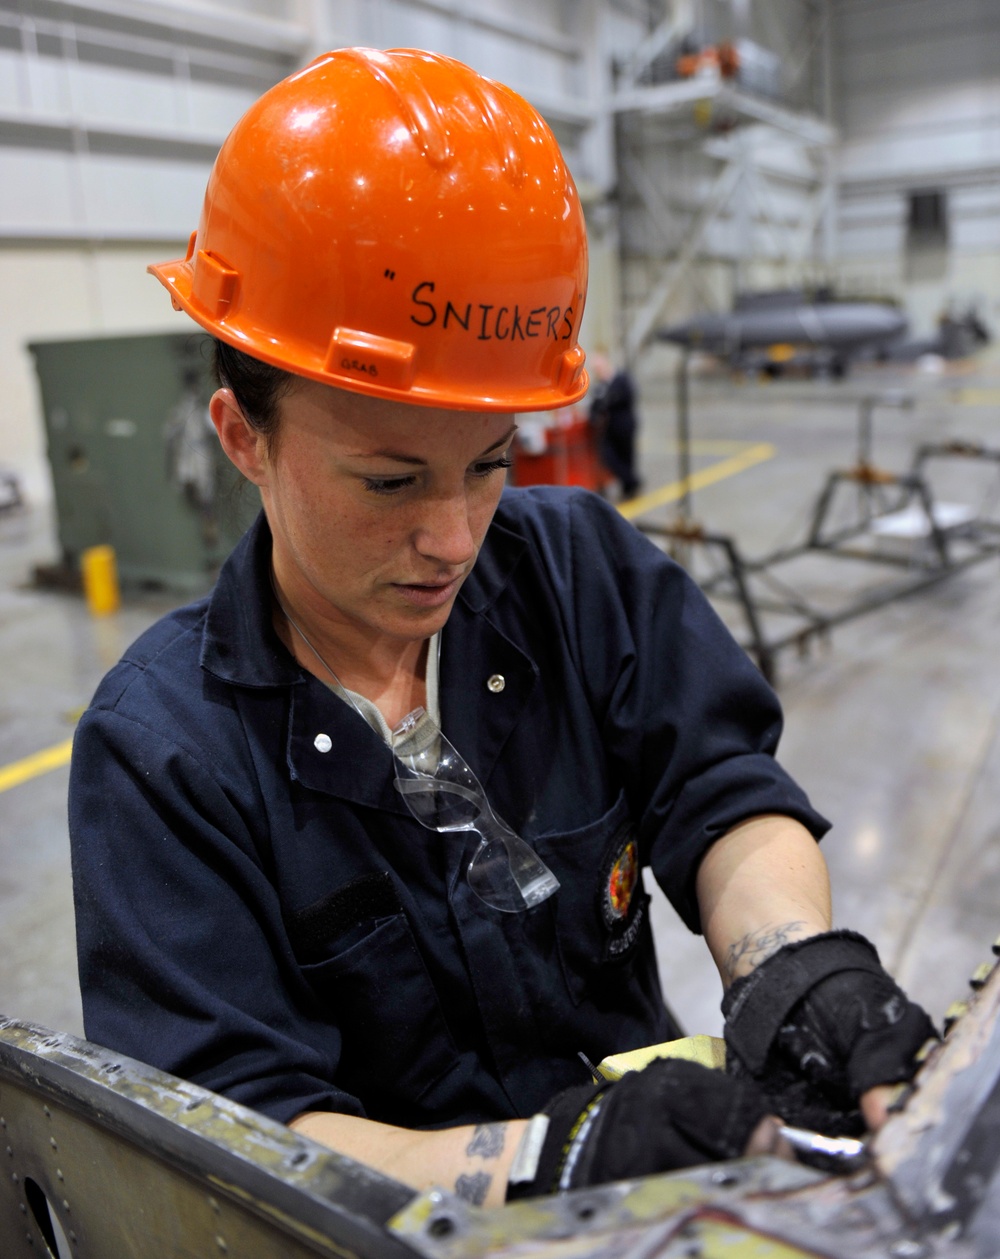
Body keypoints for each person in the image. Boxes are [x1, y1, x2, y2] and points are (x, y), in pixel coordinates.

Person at [69, 47, 935, 1209]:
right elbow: (240, 1133)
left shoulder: (578, 571)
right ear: (243, 435)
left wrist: (791, 968)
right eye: (389, 482)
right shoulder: (165, 750)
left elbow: (718, 790)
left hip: (663, 1173)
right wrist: (546, 1157)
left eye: (488, 464)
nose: (453, 535)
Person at [587, 350, 642, 499]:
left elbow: (628, 396)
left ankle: (629, 488)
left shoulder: (621, 378)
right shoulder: (600, 386)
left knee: (627, 457)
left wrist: (607, 402)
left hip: (624, 425)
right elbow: (594, 408)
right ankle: (633, 481)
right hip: (610, 428)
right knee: (609, 457)